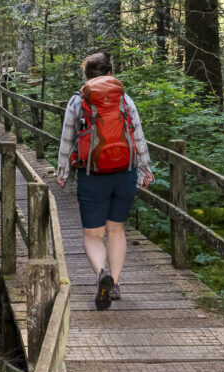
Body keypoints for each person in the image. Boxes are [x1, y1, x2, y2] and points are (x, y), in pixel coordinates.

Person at [55, 52, 153, 310]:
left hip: (92, 174)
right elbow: (138, 136)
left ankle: (101, 273)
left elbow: (68, 139)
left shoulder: (79, 100)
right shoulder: (125, 99)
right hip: (125, 172)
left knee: (93, 234)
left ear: (86, 76)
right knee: (116, 230)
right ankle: (116, 283)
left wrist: (62, 172)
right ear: (111, 73)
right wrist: (145, 169)